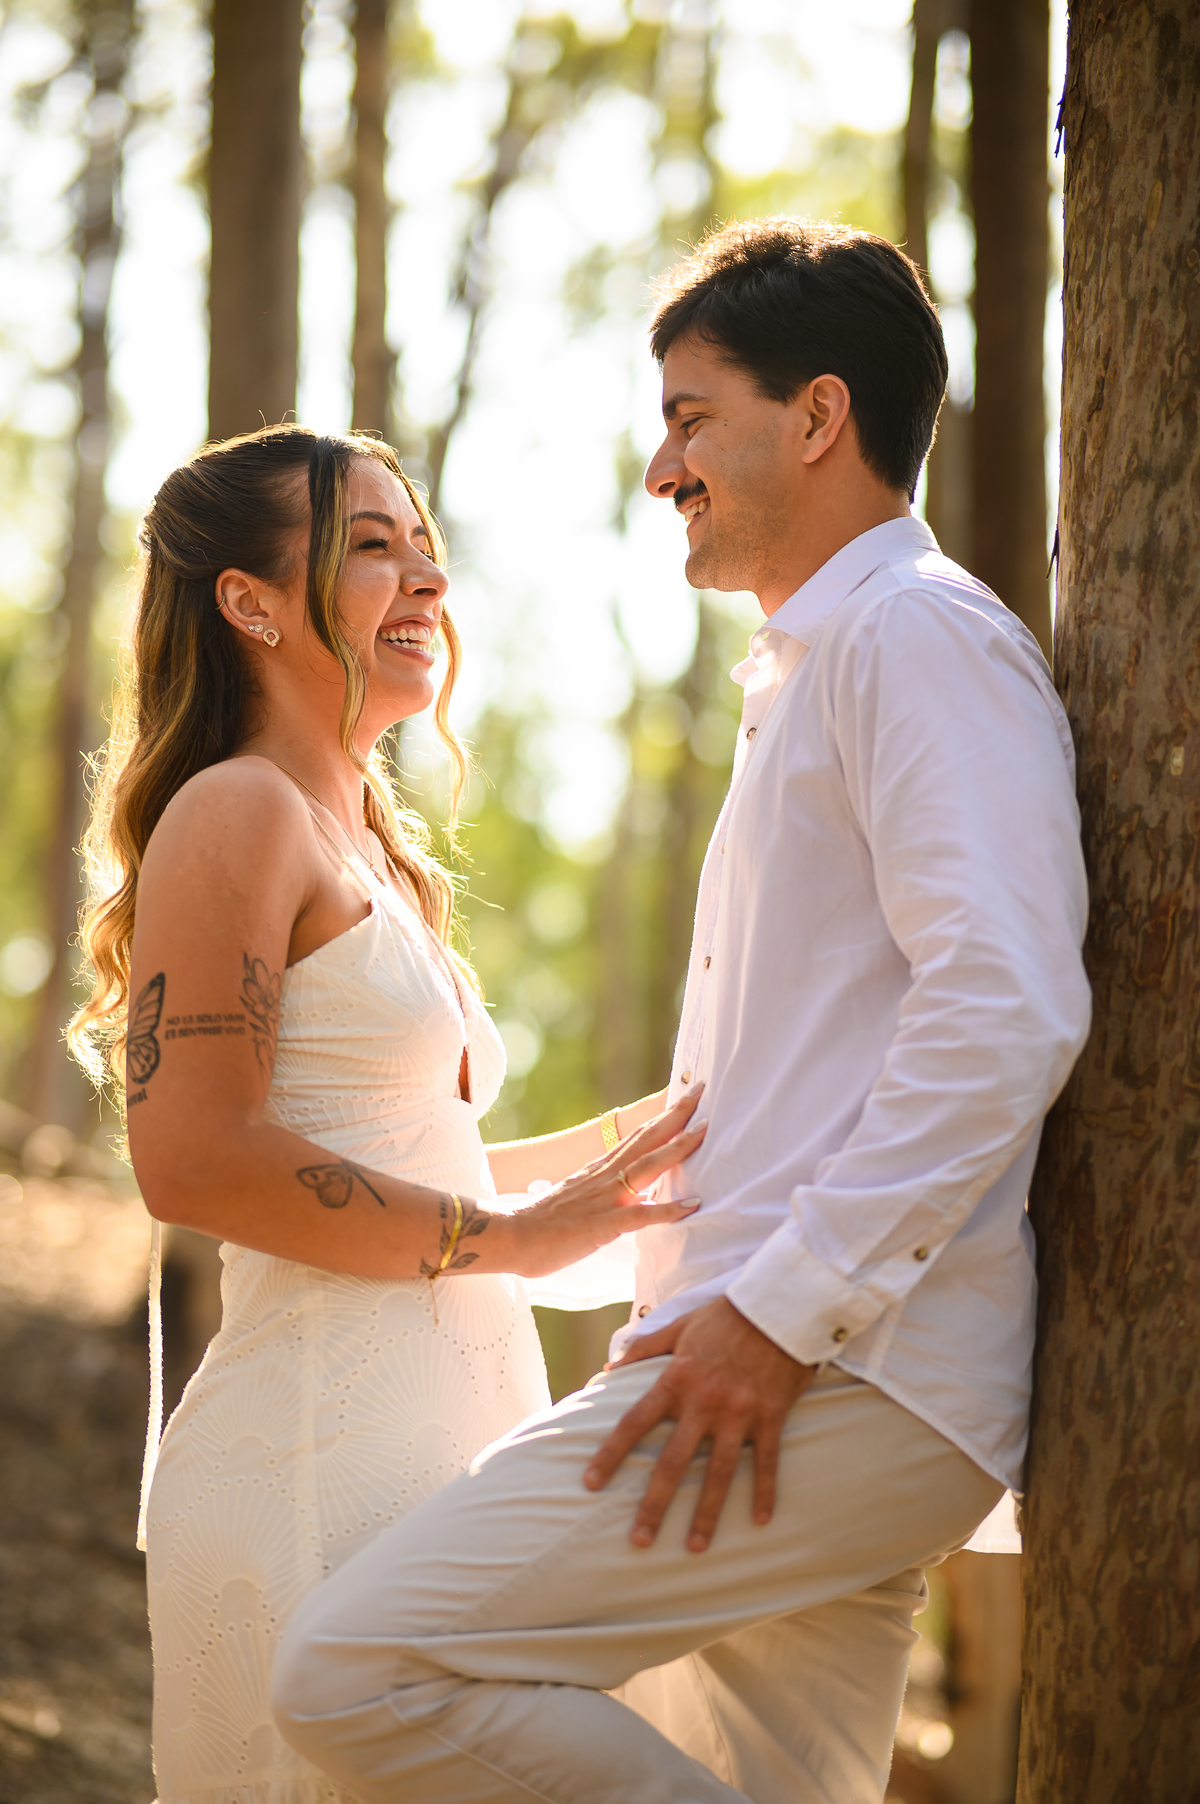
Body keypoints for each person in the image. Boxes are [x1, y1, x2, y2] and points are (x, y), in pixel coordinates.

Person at [270, 219, 1092, 1804]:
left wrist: (782, 1315)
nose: (663, 469)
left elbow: (1004, 1000)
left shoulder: (911, 639)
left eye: (691, 416)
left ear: (820, 417)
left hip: (832, 1371)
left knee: (358, 1666)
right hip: (792, 1358)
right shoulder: (825, 662)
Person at [69, 423, 707, 1804]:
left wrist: (681, 1127)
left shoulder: (372, 842)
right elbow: (193, 1158)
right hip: (310, 1463)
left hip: (444, 1439)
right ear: (248, 600)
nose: (426, 581)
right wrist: (516, 1243)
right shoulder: (236, 814)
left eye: (427, 548)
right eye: (372, 547)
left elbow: (436, 1159)